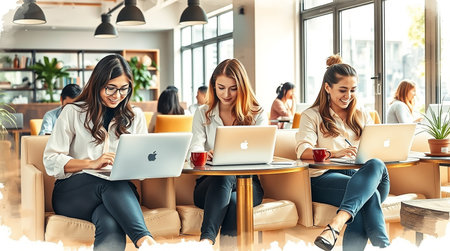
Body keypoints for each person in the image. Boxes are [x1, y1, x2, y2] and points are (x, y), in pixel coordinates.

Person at [43, 54, 156, 250]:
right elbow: (50, 160)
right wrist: (91, 163)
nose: (117, 95)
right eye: (110, 88)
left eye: (123, 89)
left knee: (109, 221)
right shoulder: (73, 112)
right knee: (107, 184)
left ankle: (147, 243)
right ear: (97, 84)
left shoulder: (135, 116)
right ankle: (146, 241)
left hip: (118, 193)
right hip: (73, 193)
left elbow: (142, 162)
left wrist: (143, 166)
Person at [295, 54, 390, 251]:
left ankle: (335, 225)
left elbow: (376, 147)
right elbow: (303, 152)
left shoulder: (362, 114)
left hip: (362, 177)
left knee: (377, 165)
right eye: (342, 90)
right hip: (324, 179)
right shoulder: (311, 116)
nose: (348, 96)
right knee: (366, 197)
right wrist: (334, 153)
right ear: (327, 88)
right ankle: (384, 246)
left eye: (353, 90)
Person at [189, 59, 266, 246]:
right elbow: (194, 149)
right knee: (224, 176)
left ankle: (206, 241)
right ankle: (206, 241)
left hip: (248, 184)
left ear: (242, 87)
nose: (226, 94)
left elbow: (263, 152)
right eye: (221, 87)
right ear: (213, 86)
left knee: (235, 202)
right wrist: (205, 156)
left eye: (233, 88)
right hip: (208, 185)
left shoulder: (256, 113)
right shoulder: (203, 113)